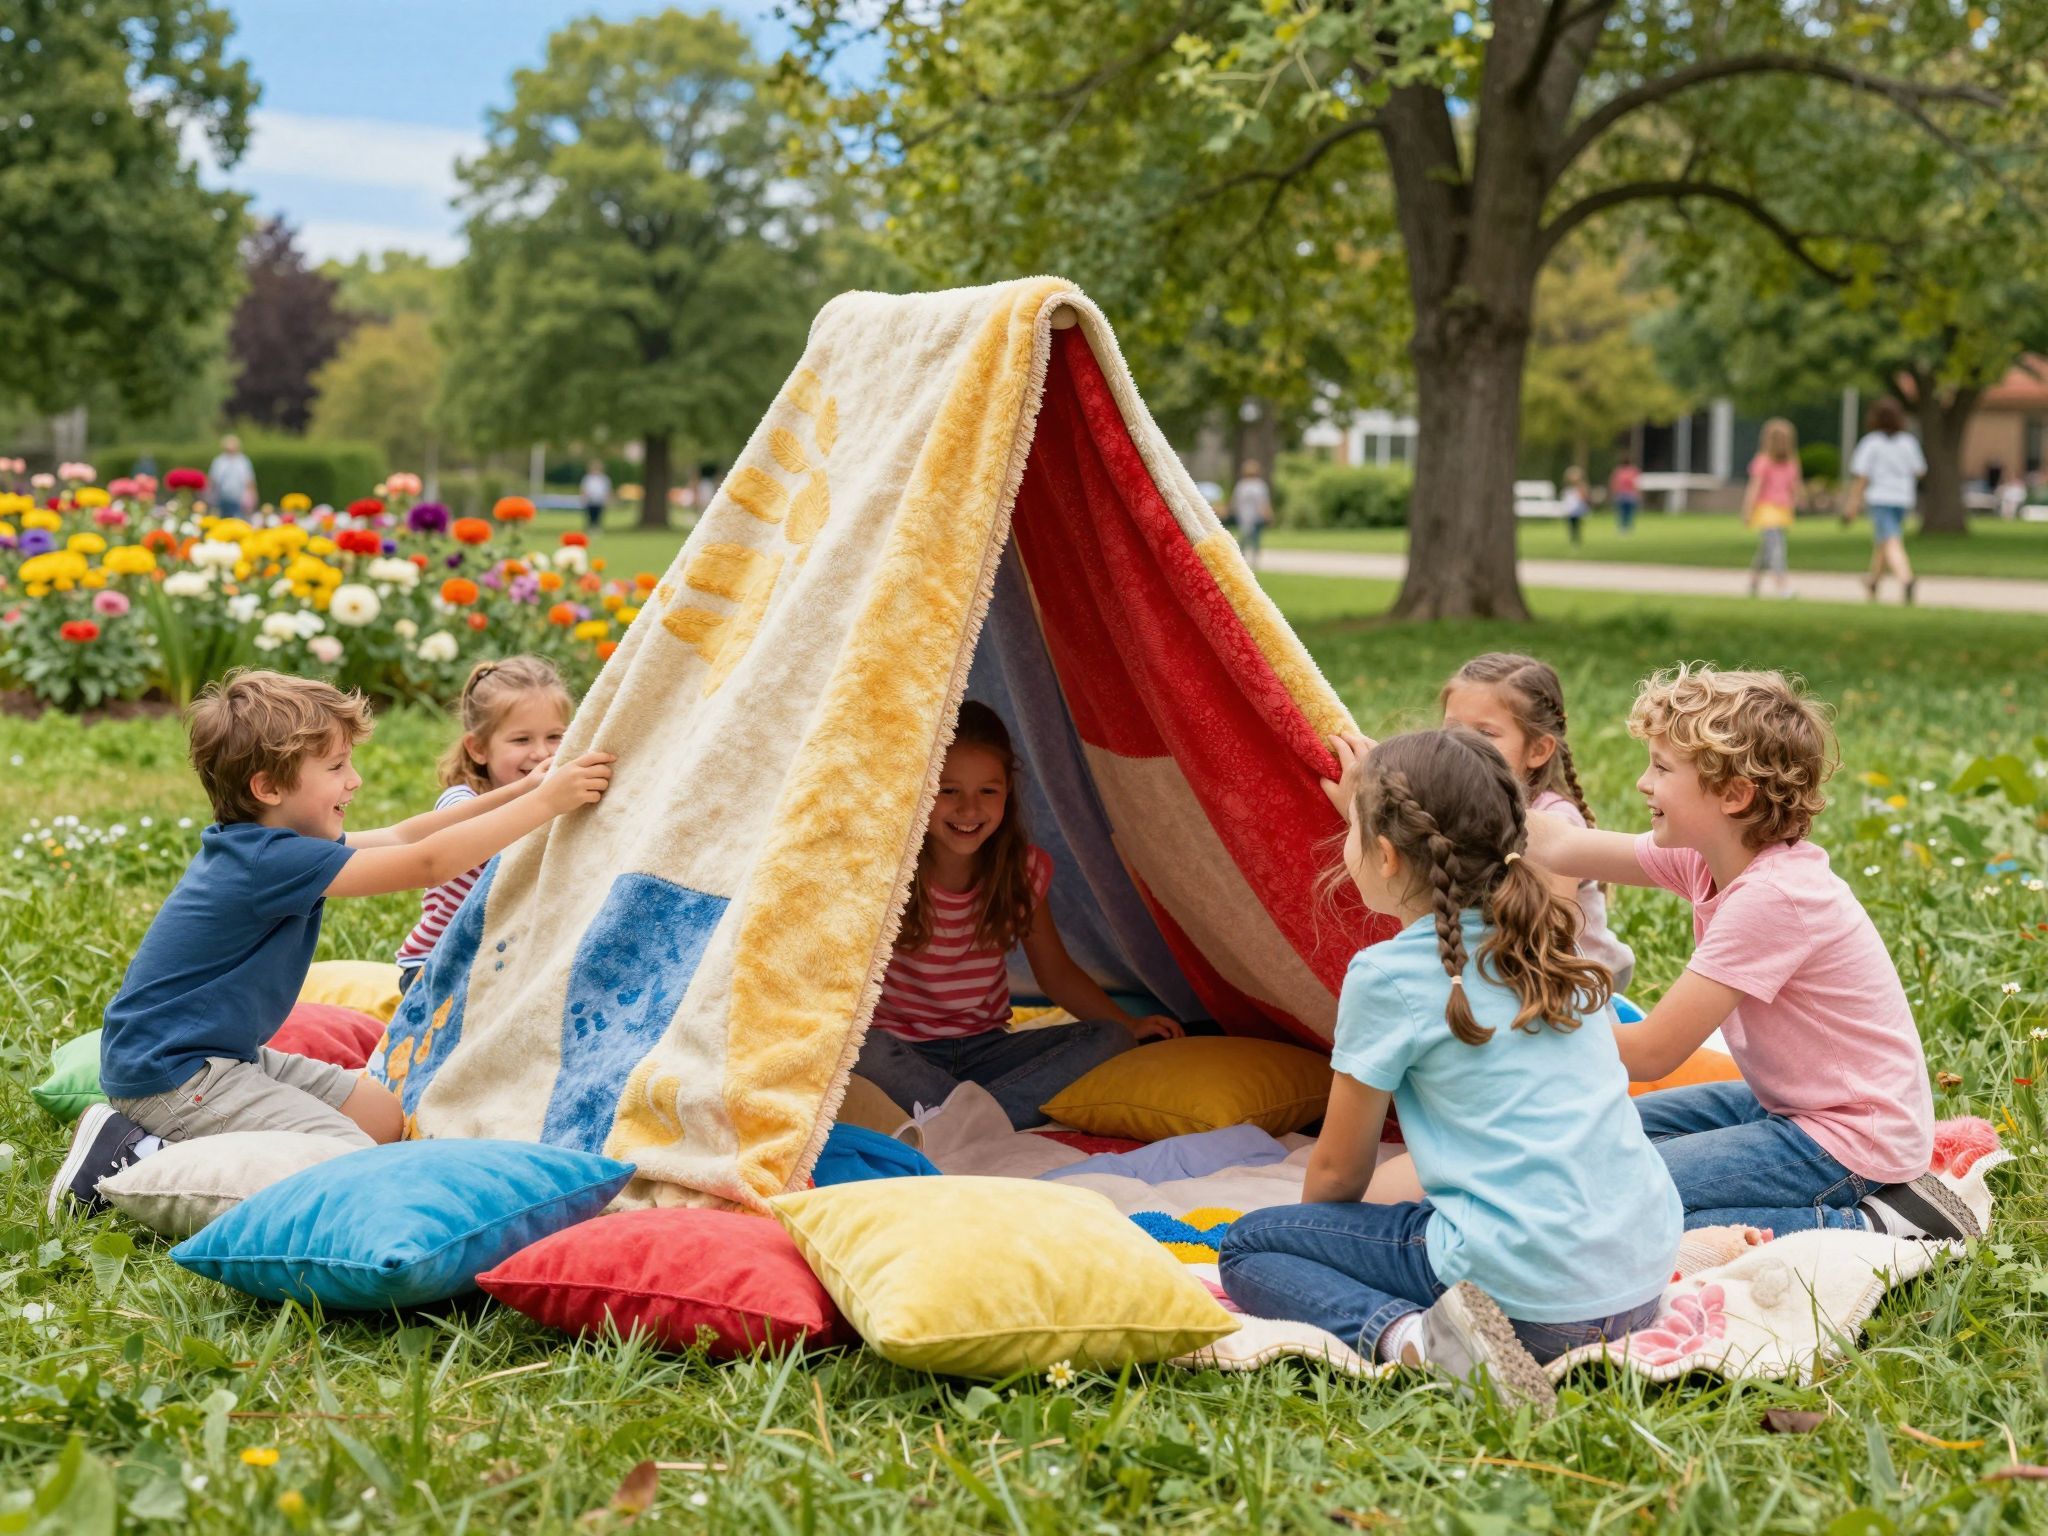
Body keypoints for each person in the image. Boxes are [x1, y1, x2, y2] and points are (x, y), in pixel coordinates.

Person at [1220, 728, 1681, 1413]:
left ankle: (1421, 1343)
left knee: (1250, 1247)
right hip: (1639, 1283)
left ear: (1382, 853)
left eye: (1353, 827)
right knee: (1414, 1209)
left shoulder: (1386, 976)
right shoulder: (1550, 937)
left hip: (1535, 1305)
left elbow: (1339, 1175)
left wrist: (1322, 1248)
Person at [48, 670, 614, 1216]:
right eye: (337, 767)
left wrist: (526, 788)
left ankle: (157, 1142)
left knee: (381, 1116)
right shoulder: (270, 860)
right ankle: (131, 1157)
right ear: (268, 787)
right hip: (175, 1076)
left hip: (219, 1057)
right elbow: (428, 862)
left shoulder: (272, 843)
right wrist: (547, 804)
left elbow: (403, 835)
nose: (354, 781)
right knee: (349, 1164)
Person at [1524, 664, 1975, 1241]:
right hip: (1786, 1106)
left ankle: (1872, 1223)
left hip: (1853, 1137)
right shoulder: (1706, 856)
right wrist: (1437, 783)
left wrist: (1514, 1029)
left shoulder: (1774, 898)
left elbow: (1651, 1052)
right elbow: (1561, 845)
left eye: (1661, 768)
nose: (1642, 782)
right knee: (1599, 1139)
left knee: (1618, 1189)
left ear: (1734, 796)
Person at [853, 701, 1184, 1128]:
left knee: (1108, 1037)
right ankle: (984, 1118)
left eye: (987, 791)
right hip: (903, 1053)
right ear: (919, 787)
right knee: (860, 1049)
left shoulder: (1023, 872)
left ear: (1007, 792)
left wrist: (1126, 1023)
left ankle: (960, 1120)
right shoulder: (886, 870)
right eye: (948, 790)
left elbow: (1056, 974)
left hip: (987, 1053)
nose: (969, 809)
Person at [1440, 653, 1632, 992]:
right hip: (1503, 958)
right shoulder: (1453, 802)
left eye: (1486, 734)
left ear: (1538, 750)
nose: (1462, 747)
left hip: (1583, 974)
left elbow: (1551, 943)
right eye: (1452, 730)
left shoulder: (1555, 821)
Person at [395, 657, 573, 994]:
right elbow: (475, 847)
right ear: (478, 749)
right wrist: (542, 800)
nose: (541, 753)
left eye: (555, 736)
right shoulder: (460, 803)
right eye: (521, 740)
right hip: (436, 968)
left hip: (507, 965)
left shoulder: (557, 804)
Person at [1846, 398, 1925, 604]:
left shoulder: (1871, 443)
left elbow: (1861, 477)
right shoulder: (1908, 442)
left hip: (1881, 497)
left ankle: (1906, 578)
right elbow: (1919, 470)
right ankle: (1873, 581)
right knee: (1884, 540)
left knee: (1891, 540)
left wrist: (1853, 504)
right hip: (1903, 498)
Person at [1743, 418, 1801, 600]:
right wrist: (1747, 510)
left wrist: (1797, 501)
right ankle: (1782, 585)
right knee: (1776, 549)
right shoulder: (1763, 462)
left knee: (1766, 549)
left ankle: (1753, 580)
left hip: (1783, 510)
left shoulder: (1791, 463)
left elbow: (1795, 486)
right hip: (1767, 510)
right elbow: (1754, 488)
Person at [1230, 460, 1273, 567]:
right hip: (1246, 515)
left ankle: (1249, 558)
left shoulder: (1245, 485)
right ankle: (1247, 558)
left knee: (1251, 537)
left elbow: (1263, 502)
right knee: (1249, 537)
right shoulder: (1253, 485)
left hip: (1251, 516)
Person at [206, 435, 257, 519]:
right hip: (221, 497)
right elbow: (212, 479)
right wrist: (208, 495)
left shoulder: (243, 461)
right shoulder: (219, 461)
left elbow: (249, 480)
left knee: (238, 520)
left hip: (239, 498)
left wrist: (253, 496)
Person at [1608, 456, 1641, 534]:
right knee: (1628, 512)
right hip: (1629, 495)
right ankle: (1627, 526)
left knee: (1622, 512)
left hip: (1622, 494)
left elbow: (1614, 483)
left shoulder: (1618, 471)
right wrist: (1638, 493)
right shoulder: (1633, 471)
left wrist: (1613, 493)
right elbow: (1636, 483)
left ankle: (1623, 527)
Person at [580, 459, 613, 534]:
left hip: (599, 500)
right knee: (590, 515)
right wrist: (584, 497)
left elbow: (607, 490)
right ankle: (589, 529)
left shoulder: (604, 479)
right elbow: (584, 489)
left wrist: (607, 499)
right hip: (590, 500)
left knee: (598, 516)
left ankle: (597, 529)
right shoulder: (587, 478)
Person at [1561, 466, 1590, 546]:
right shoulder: (1567, 486)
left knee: (1577, 523)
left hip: (1577, 507)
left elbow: (1584, 496)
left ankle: (1577, 538)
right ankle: (1573, 537)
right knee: (1571, 523)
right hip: (1570, 507)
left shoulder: (1581, 486)